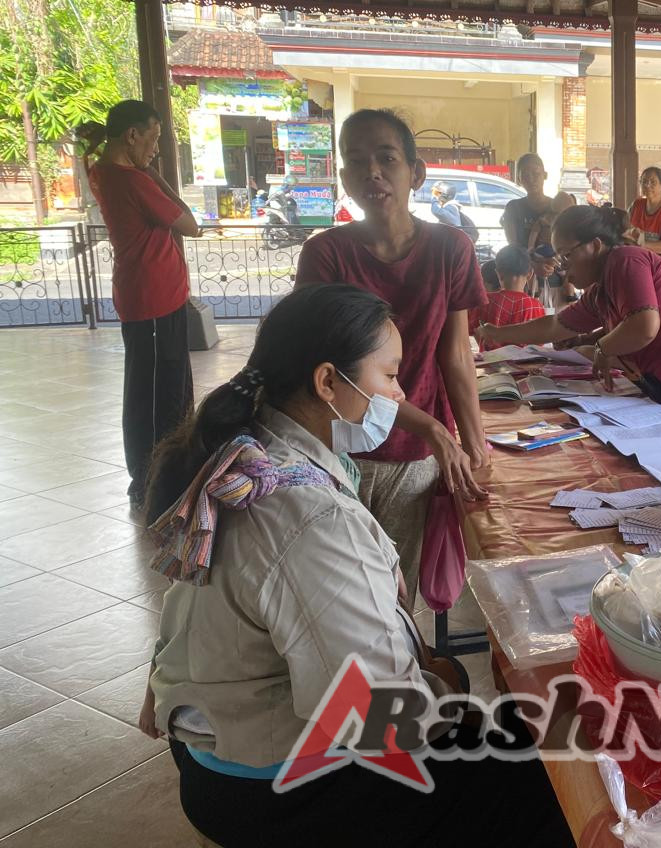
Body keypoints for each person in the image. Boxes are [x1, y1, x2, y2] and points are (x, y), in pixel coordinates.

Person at [140, 283, 573, 848]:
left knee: (514, 724)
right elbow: (376, 723)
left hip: (227, 750)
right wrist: (447, 693)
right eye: (390, 376)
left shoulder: (253, 455)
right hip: (280, 793)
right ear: (327, 382)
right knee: (552, 782)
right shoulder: (307, 517)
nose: (398, 396)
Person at [296, 109, 488, 590]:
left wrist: (475, 442)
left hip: (413, 459)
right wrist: (434, 428)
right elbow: (336, 376)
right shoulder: (326, 255)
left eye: (387, 158)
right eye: (357, 161)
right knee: (341, 591)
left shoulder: (451, 248)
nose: (372, 172)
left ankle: (401, 666)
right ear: (343, 177)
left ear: (415, 173)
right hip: (338, 451)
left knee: (397, 592)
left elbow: (456, 354)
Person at [475, 204, 661, 448]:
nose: (563, 267)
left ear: (594, 246)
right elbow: (554, 325)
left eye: (567, 255)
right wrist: (496, 333)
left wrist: (603, 348)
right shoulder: (600, 291)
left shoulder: (625, 260)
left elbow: (644, 325)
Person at [83, 100, 202, 508]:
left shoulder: (100, 169)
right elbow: (191, 225)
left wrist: (147, 168)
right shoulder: (132, 180)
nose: (155, 150)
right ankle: (149, 479)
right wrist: (153, 173)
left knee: (164, 388)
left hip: (153, 299)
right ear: (131, 135)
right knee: (155, 396)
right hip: (151, 301)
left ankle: (166, 471)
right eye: (151, 140)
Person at [469, 245, 547, 350]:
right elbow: (540, 341)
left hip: (491, 363)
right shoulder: (536, 306)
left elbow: (472, 330)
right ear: (530, 274)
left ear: (498, 273)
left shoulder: (484, 301)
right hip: (526, 364)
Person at [626, 166, 661, 262]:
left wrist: (642, 244)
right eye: (644, 181)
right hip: (636, 260)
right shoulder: (636, 205)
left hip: (659, 265)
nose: (647, 185)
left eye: (653, 182)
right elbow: (625, 229)